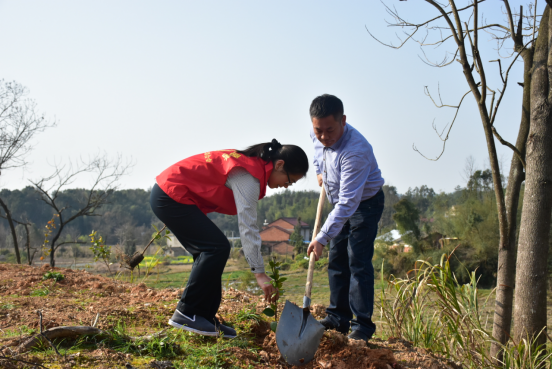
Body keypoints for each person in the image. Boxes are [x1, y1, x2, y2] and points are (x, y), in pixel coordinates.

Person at [150, 140, 309, 338]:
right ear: (279, 165)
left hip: (172, 194)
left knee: (212, 250)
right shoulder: (249, 176)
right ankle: (187, 312)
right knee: (216, 248)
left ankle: (204, 316)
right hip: (170, 194)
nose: (286, 186)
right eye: (289, 180)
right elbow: (248, 227)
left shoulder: (251, 166)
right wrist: (259, 273)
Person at [306, 94, 385, 342]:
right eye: (318, 130)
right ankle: (337, 318)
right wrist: (320, 172)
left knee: (357, 261)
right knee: (337, 259)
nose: (323, 136)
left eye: (329, 130)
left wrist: (320, 237)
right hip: (338, 204)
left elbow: (348, 203)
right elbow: (319, 152)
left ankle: (361, 325)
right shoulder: (317, 134)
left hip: (365, 204)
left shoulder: (356, 151)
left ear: (343, 121)